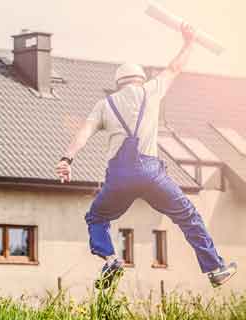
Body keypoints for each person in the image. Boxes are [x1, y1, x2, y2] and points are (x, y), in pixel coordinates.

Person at [56, 23, 237, 289]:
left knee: (97, 217)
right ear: (140, 79)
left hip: (119, 178)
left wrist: (66, 160)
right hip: (152, 174)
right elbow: (175, 67)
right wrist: (188, 42)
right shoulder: (151, 91)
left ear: (117, 84)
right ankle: (215, 268)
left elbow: (82, 134)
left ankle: (110, 259)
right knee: (188, 217)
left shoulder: (104, 105)